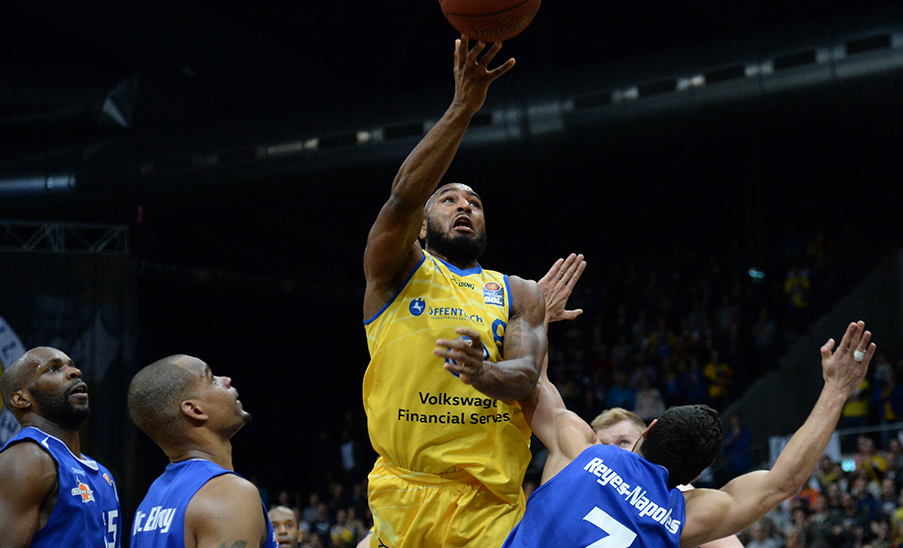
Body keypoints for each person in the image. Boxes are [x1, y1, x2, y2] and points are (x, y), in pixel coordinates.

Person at [361, 34, 560, 548]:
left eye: (474, 201)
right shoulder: (394, 272)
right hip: (405, 495)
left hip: (488, 509)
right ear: (423, 227)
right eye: (448, 199)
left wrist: (484, 371)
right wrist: (463, 107)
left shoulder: (518, 292)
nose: (464, 206)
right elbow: (404, 196)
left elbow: (524, 379)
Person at [494, 321, 875, 547]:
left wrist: (536, 314)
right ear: (693, 478)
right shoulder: (683, 516)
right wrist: (836, 391)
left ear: (650, 428)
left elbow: (533, 384)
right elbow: (783, 482)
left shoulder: (582, 449)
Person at [127, 354, 277, 548]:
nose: (227, 380)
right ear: (195, 410)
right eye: (212, 379)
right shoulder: (230, 495)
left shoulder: (149, 503)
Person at [0, 346, 122, 547]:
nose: (75, 372)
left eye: (71, 366)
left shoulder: (102, 473)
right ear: (22, 399)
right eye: (53, 369)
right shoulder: (27, 458)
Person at [589, 407, 746, 548]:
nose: (615, 451)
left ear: (644, 439)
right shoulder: (587, 489)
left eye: (623, 442)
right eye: (603, 444)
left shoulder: (677, 492)